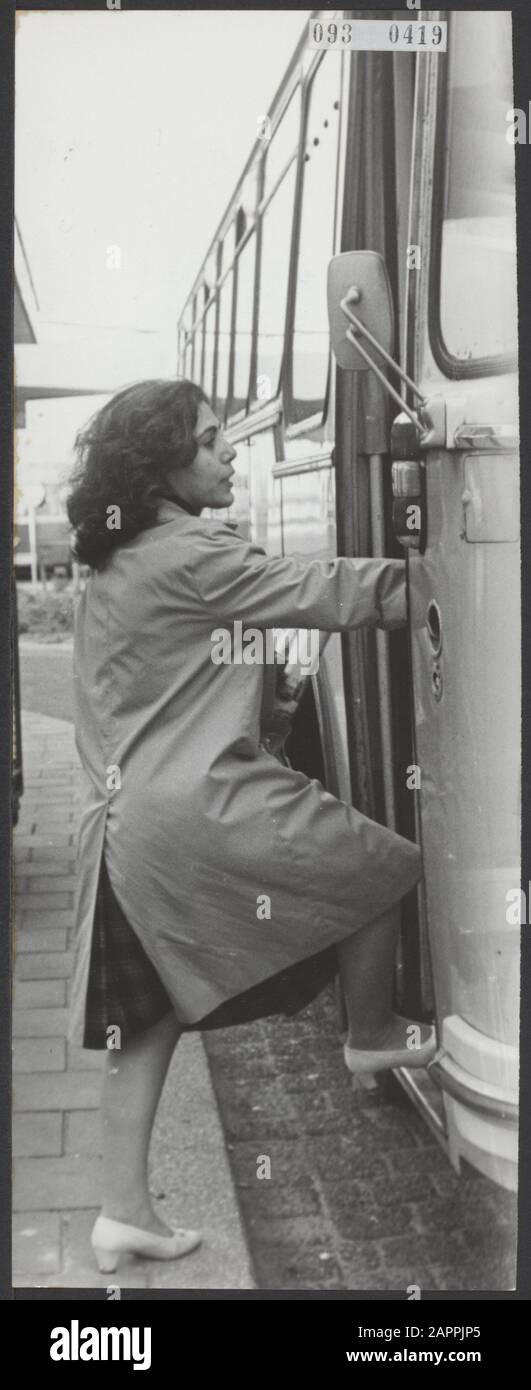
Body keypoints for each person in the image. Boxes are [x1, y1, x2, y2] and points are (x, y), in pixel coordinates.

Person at [66, 378, 435, 1275]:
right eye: (205, 442)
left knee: (142, 1030)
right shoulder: (188, 551)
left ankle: (122, 1214)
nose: (228, 452)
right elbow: (316, 590)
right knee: (378, 864)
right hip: (191, 811)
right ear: (160, 467)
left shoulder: (117, 557)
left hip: (119, 831)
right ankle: (371, 1034)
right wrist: (441, 576)